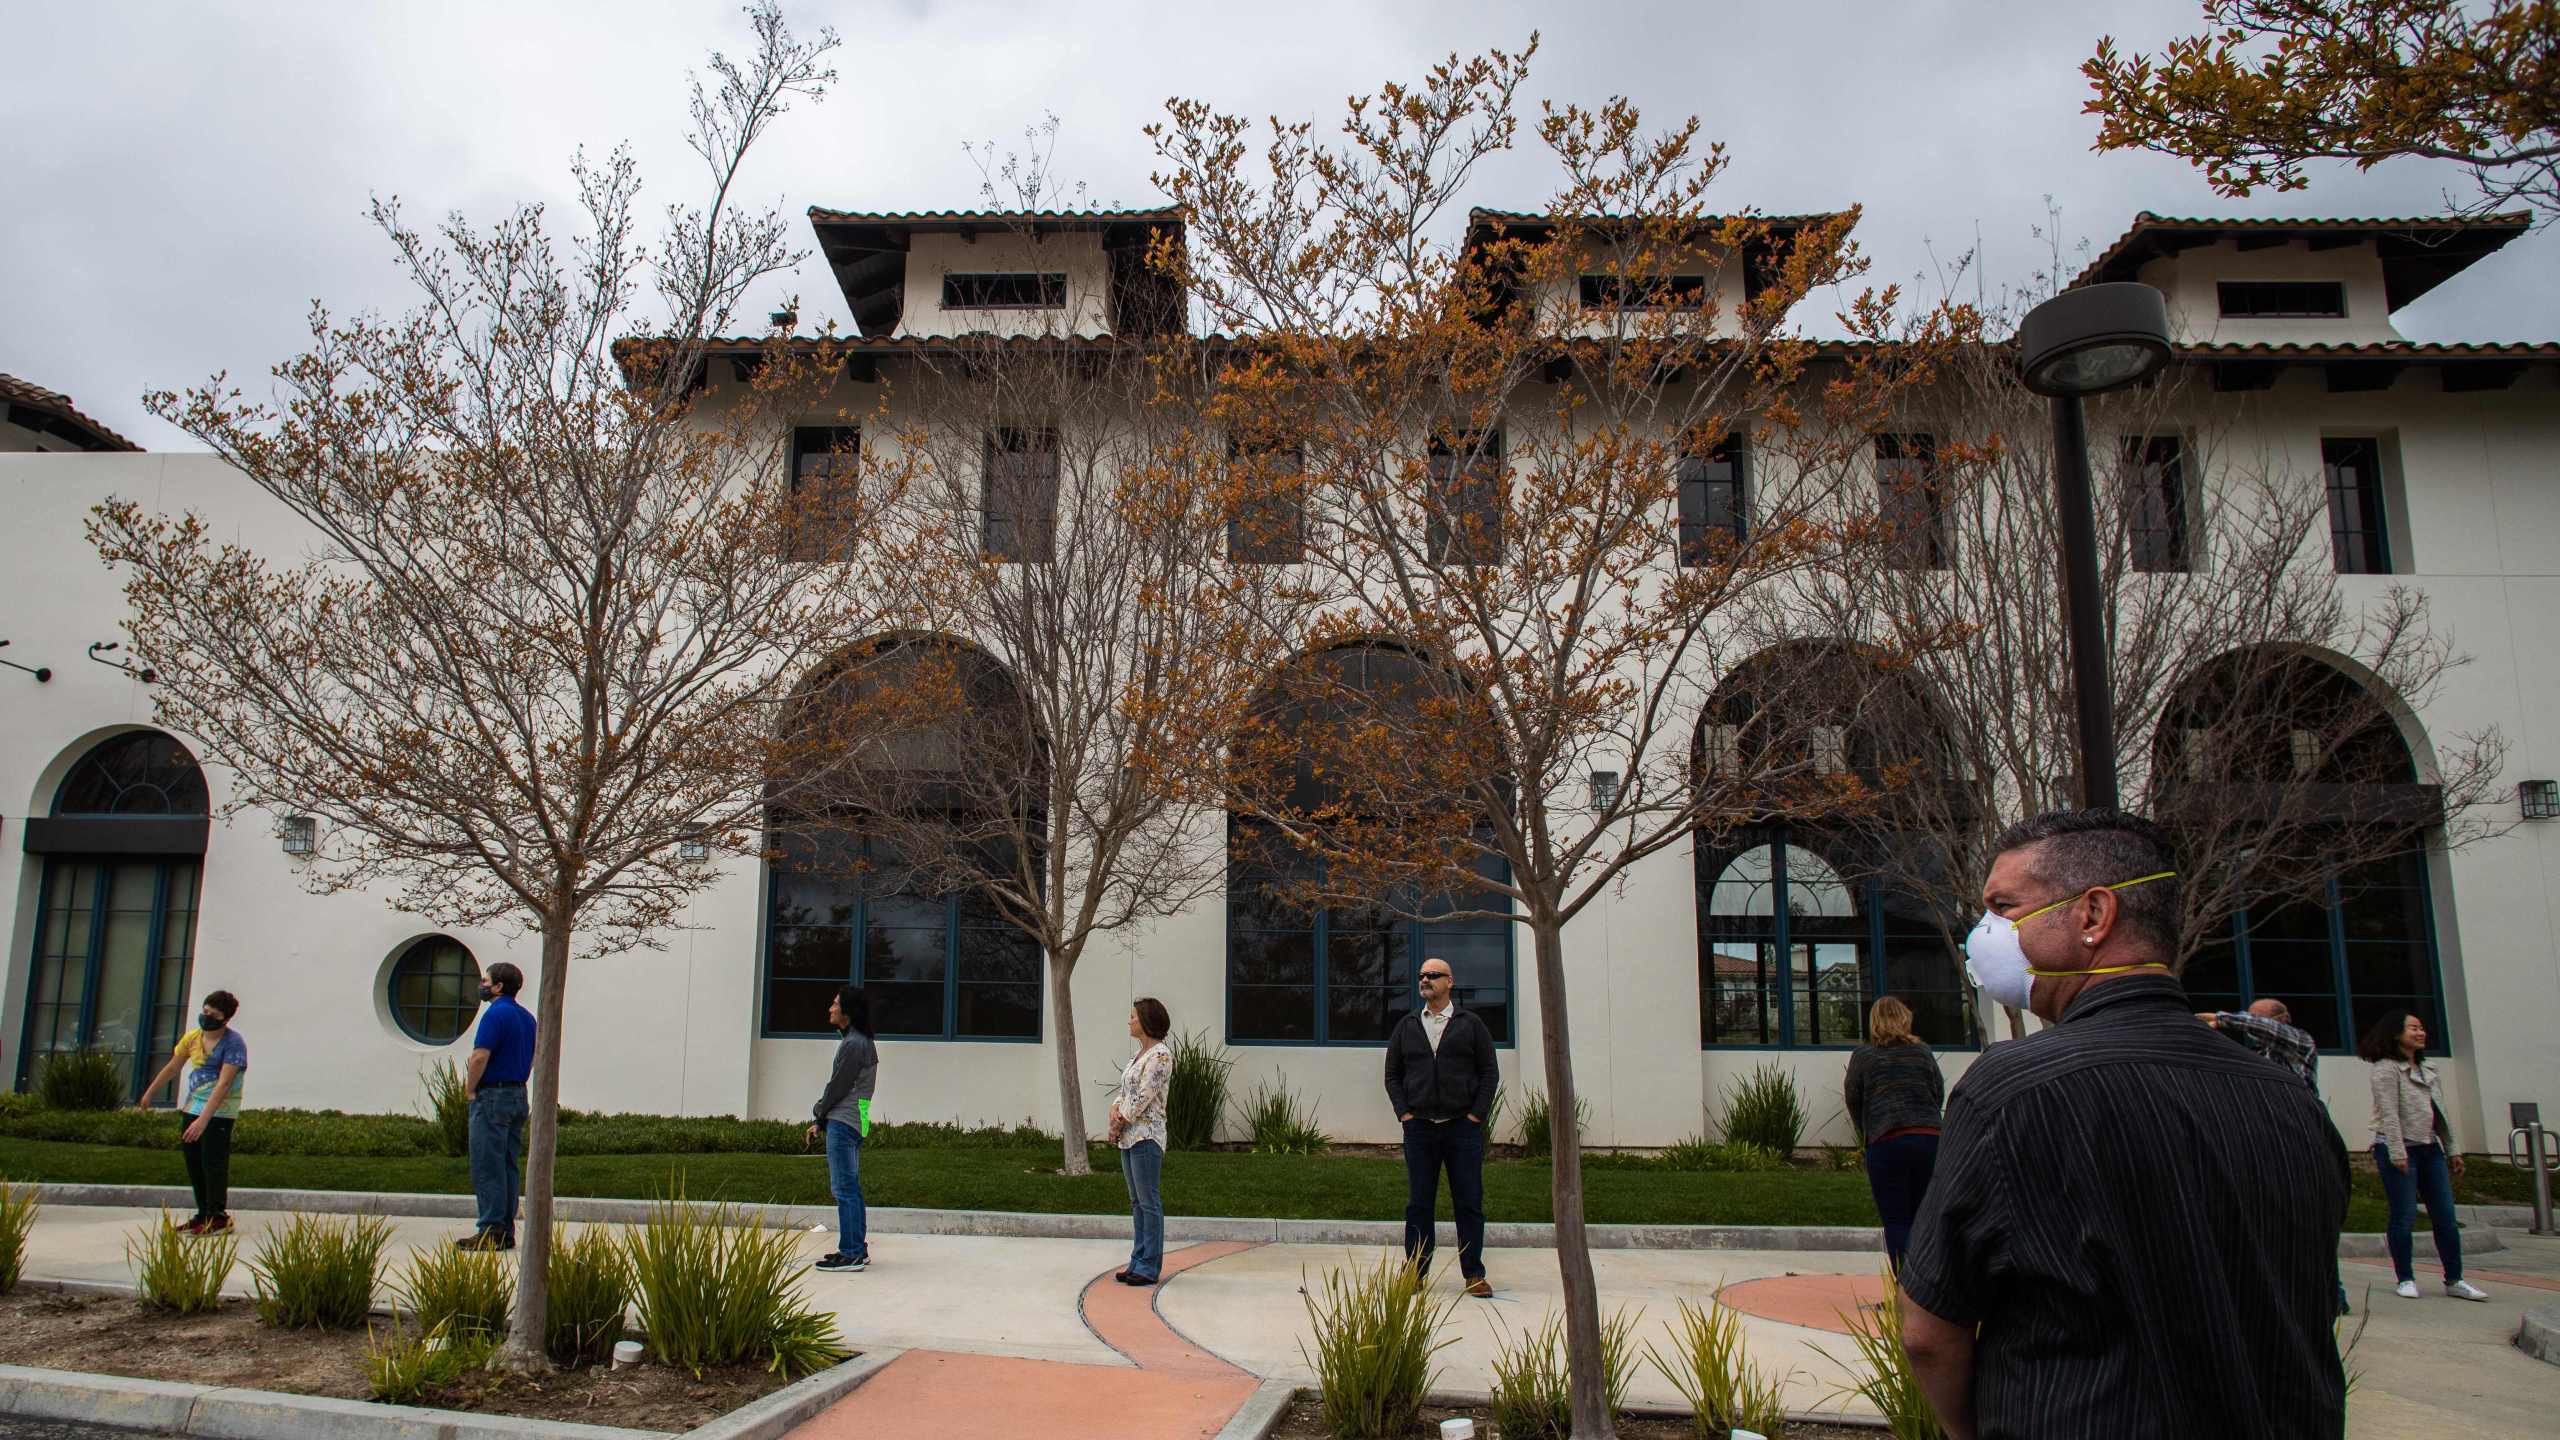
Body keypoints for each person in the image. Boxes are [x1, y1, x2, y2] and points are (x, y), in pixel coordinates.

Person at [1897, 809, 2350, 1440]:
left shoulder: (2014, 1092)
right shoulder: (2291, 1097)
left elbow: (1928, 1331)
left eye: (2004, 906)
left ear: (2093, 915)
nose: (1984, 931)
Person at [1383, 955, 1500, 1298]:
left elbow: (1489, 1072)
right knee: (1419, 1203)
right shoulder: (1406, 1025)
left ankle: (1474, 1274)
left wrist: (1476, 1115)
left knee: (1469, 1202)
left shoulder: (1470, 1023)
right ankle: (1415, 1274)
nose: (1425, 980)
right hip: (1419, 1128)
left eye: (1433, 975)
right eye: (1422, 975)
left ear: (1450, 982)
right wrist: (1404, 1113)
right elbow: (1393, 1075)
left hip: (1461, 1129)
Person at [2360, 1007, 2489, 1302]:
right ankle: (2405, 1277)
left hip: (2430, 1149)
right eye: (2413, 1028)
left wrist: (2452, 1149)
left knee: (2445, 1216)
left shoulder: (2427, 1069)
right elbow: (2389, 1114)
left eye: (2422, 1028)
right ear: (2396, 1034)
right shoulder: (2385, 1068)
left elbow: (2439, 1114)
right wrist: (2397, 1151)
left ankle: (2455, 1279)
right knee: (2403, 1215)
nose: (2421, 1033)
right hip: (2398, 1149)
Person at [1842, 995, 1943, 1271]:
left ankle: (1905, 1292)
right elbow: (1937, 1092)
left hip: (1886, 1141)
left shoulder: (1864, 1056)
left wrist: (1866, 1133)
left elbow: (1854, 1098)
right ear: (1904, 1018)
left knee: (1897, 1220)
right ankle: (1929, 1290)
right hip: (1929, 1139)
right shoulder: (1922, 1052)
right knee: (1925, 1217)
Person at [139, 990, 247, 1236]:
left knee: (213, 1163)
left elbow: (224, 1084)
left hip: (219, 1113)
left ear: (225, 1019)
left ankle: (218, 1216)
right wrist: (150, 1092)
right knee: (195, 1163)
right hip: (193, 1107)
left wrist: (203, 1120)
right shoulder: (193, 1038)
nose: (206, 1017)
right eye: (205, 1012)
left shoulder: (233, 1044)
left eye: (213, 1015)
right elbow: (173, 1066)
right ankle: (203, 1213)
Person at [457, 961, 535, 1252]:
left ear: (499, 986)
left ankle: (490, 1229)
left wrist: (470, 1090)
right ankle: (505, 1229)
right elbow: (532, 1057)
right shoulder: (527, 1018)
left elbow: (480, 1056)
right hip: (517, 1094)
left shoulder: (494, 1015)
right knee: (508, 1165)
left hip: (492, 1095)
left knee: (487, 1165)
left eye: (486, 980)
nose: (482, 985)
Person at [805, 984, 877, 1274]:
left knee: (844, 1189)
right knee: (851, 1189)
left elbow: (838, 1086)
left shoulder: (853, 1045)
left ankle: (851, 1254)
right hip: (856, 1120)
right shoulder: (861, 1041)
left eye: (835, 1004)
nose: (830, 1008)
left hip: (844, 1121)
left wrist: (819, 1114)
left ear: (847, 1011)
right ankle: (855, 1248)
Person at [1106, 997, 1173, 1286]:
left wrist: (1118, 1120)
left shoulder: (1160, 1056)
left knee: (1148, 1201)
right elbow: (1125, 1091)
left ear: (1146, 1021)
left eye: (1133, 1017)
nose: (1129, 1021)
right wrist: (1114, 1110)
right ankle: (1137, 1259)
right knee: (1136, 1202)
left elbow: (1143, 1096)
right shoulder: (1137, 1056)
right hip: (1128, 1137)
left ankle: (1149, 1266)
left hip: (1146, 1136)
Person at [2198, 998, 2319, 1089]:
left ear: (2282, 1019)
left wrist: (2221, 1019)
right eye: (2249, 1017)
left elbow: (2264, 1027)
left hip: (2299, 1109)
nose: (2249, 1023)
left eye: (2255, 1018)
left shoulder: (2302, 1039)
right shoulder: (2257, 1051)